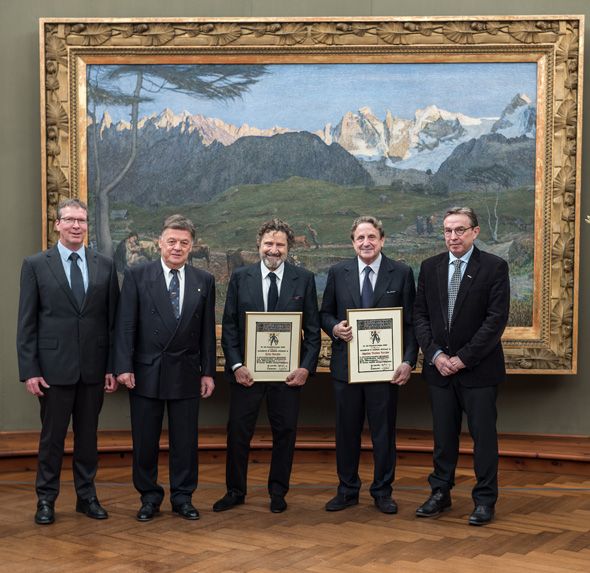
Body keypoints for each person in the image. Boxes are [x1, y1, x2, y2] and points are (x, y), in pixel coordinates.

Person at [17, 198, 119, 525]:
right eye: (70, 220)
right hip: (53, 371)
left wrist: (112, 367)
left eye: (82, 220)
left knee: (88, 439)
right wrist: (30, 371)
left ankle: (86, 497)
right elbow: (27, 322)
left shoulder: (105, 265)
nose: (77, 225)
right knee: (52, 439)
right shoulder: (36, 265)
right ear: (57, 224)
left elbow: (112, 322)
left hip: (93, 369)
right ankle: (45, 500)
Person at [213, 218, 321, 514]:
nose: (274, 250)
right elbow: (230, 326)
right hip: (246, 374)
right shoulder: (240, 277)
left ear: (289, 248)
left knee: (285, 432)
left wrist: (305, 368)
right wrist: (237, 365)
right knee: (238, 433)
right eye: (268, 244)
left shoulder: (304, 279)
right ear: (259, 245)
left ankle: (278, 492)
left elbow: (312, 331)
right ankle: (235, 491)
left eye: (280, 245)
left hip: (287, 376)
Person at [114, 214, 216, 522]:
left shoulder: (204, 280)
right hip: (147, 370)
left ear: (192, 246)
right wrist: (124, 366)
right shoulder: (137, 275)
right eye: (171, 241)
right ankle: (149, 497)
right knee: (145, 440)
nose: (177, 247)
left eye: (184, 242)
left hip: (186, 371)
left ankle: (183, 497)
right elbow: (125, 324)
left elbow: (207, 331)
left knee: (185, 441)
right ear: (160, 242)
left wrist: (208, 371)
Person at [413, 206, 510, 526]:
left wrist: (463, 358)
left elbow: (495, 321)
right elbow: (420, 316)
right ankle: (440, 493)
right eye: (447, 231)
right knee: (443, 439)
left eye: (460, 230)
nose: (453, 236)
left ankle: (484, 500)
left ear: (475, 232)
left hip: (478, 371)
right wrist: (436, 355)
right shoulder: (430, 267)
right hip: (439, 371)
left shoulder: (494, 267)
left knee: (484, 440)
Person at [320, 215, 418, 514]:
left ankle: (382, 491)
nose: (366, 242)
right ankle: (347, 490)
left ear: (382, 240)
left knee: (383, 434)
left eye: (371, 237)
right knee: (346, 433)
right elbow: (324, 313)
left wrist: (408, 361)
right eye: (360, 238)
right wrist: (334, 327)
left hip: (385, 370)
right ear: (353, 243)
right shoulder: (338, 272)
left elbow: (412, 323)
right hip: (346, 369)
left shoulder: (401, 273)